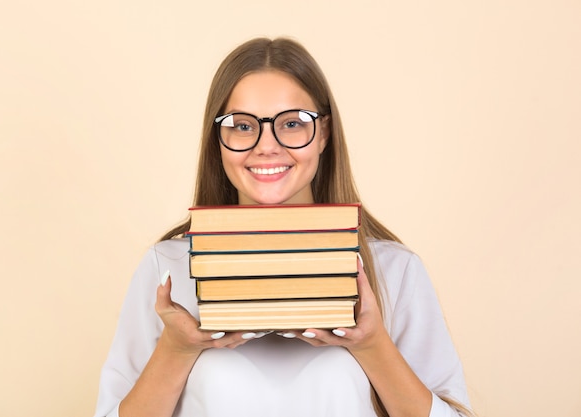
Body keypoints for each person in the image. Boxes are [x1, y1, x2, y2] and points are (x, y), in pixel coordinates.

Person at [93, 37, 474, 417]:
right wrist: (176, 350)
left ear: (324, 133)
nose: (266, 146)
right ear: (218, 141)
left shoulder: (394, 270)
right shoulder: (167, 270)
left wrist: (372, 346)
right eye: (242, 126)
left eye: (291, 123)